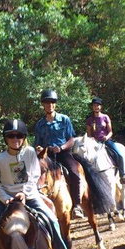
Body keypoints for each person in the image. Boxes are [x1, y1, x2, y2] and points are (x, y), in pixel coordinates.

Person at [0, 119, 74, 249]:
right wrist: (6, 198)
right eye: (11, 136)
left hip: (30, 195)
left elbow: (34, 175)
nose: (15, 139)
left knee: (52, 219)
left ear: (23, 137)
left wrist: (24, 193)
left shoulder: (30, 152)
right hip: (8, 199)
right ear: (5, 138)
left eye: (19, 135)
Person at [33, 89, 85, 219]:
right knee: (36, 176)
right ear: (43, 105)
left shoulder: (64, 119)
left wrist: (61, 148)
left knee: (74, 172)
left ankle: (77, 206)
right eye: (46, 103)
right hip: (47, 156)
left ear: (55, 104)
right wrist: (39, 148)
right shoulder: (39, 124)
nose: (49, 105)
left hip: (63, 153)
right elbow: (37, 143)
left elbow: (72, 139)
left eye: (52, 102)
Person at [85, 97, 125, 183]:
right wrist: (91, 142)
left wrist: (107, 137)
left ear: (101, 107)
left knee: (119, 154)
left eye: (98, 105)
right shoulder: (89, 120)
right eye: (94, 105)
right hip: (94, 143)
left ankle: (123, 174)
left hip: (106, 141)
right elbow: (89, 134)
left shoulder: (105, 117)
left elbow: (110, 132)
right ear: (92, 107)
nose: (96, 107)